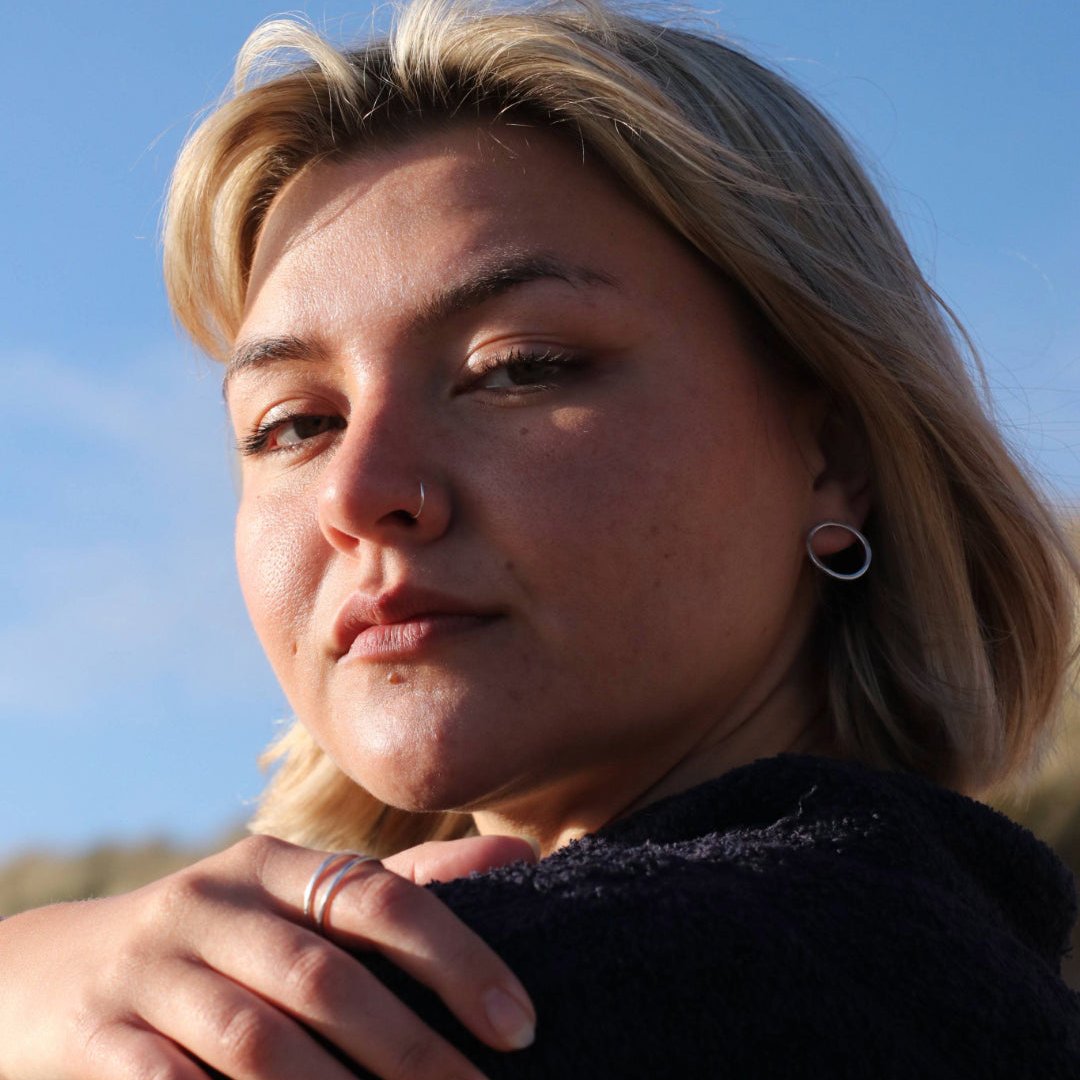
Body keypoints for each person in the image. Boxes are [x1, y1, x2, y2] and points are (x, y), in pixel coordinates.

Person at [2, 1, 1078, 1076]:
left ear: (834, 447)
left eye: (518, 366)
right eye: (294, 424)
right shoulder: (950, 943)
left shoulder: (485, 1007)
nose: (360, 489)